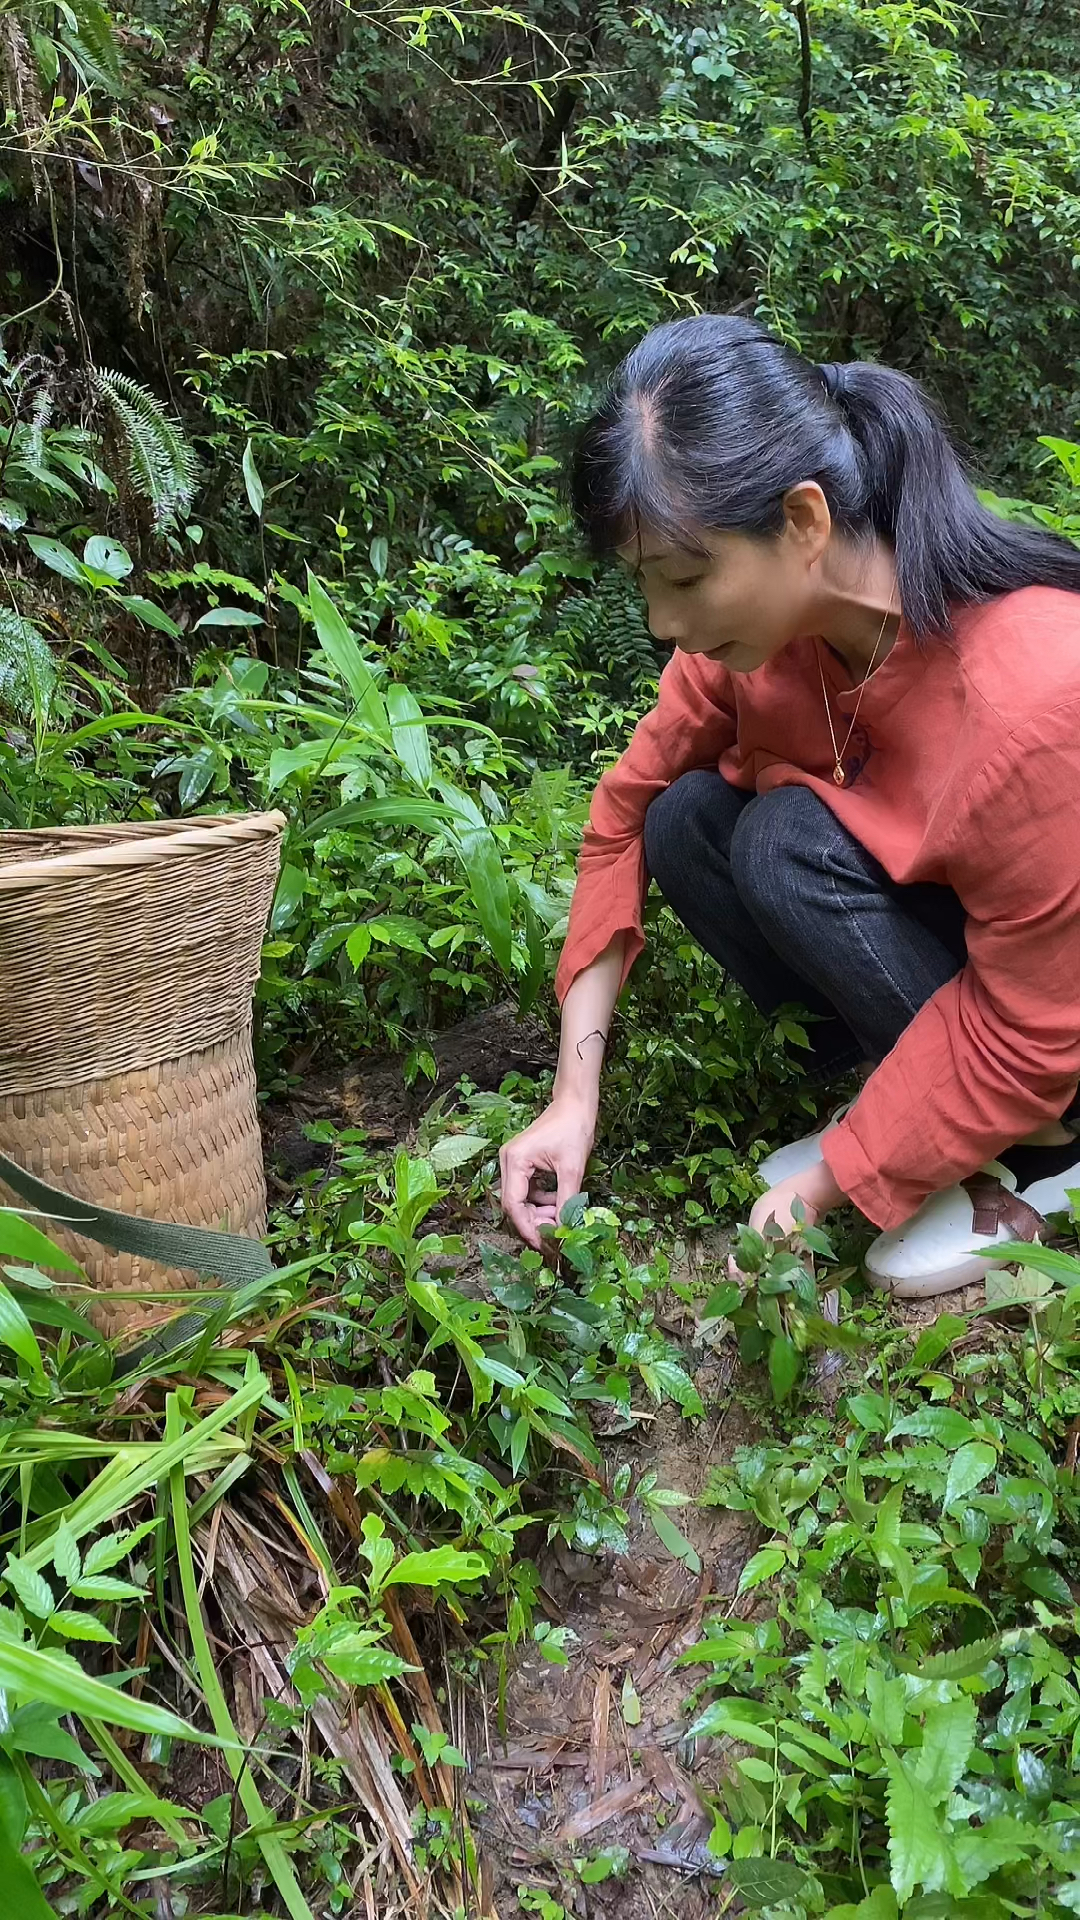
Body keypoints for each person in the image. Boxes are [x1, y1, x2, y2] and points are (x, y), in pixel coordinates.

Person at [498, 312, 1080, 1299]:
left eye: (686, 577)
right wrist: (572, 1099)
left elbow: (1035, 1023)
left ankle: (1045, 1152)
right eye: (645, 583)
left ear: (804, 522)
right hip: (968, 961)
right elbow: (619, 817)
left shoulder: (1029, 696)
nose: (662, 621)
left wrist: (820, 1185)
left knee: (781, 841)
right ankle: (900, 1108)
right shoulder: (754, 654)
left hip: (1052, 1018)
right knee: (684, 819)